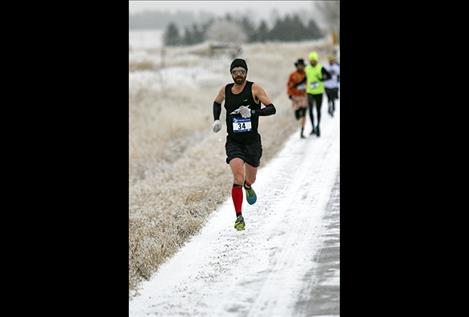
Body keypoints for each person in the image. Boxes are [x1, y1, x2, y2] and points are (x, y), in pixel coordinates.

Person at [211, 58, 276, 231]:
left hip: (252, 141)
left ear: (246, 73)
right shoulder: (225, 90)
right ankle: (239, 216)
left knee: (250, 178)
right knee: (237, 176)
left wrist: (253, 112)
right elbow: (217, 102)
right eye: (235, 72)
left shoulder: (254, 88)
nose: (238, 75)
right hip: (234, 141)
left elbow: (272, 108)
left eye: (241, 71)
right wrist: (216, 120)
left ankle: (248, 186)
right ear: (231, 73)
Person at [305, 51, 331, 137]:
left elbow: (329, 76)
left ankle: (318, 126)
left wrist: (322, 80)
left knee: (318, 110)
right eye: (311, 60)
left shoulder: (320, 68)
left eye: (314, 60)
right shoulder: (307, 68)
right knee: (311, 109)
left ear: (317, 60)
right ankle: (313, 127)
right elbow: (304, 79)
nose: (312, 61)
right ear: (309, 60)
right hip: (310, 92)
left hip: (319, 92)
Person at [287, 58, 308, 138]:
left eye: (302, 66)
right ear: (297, 66)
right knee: (297, 115)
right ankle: (298, 113)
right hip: (295, 97)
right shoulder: (292, 75)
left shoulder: (306, 74)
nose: (301, 67)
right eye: (299, 65)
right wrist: (289, 94)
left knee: (304, 113)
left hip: (303, 96)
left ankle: (302, 131)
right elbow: (289, 85)